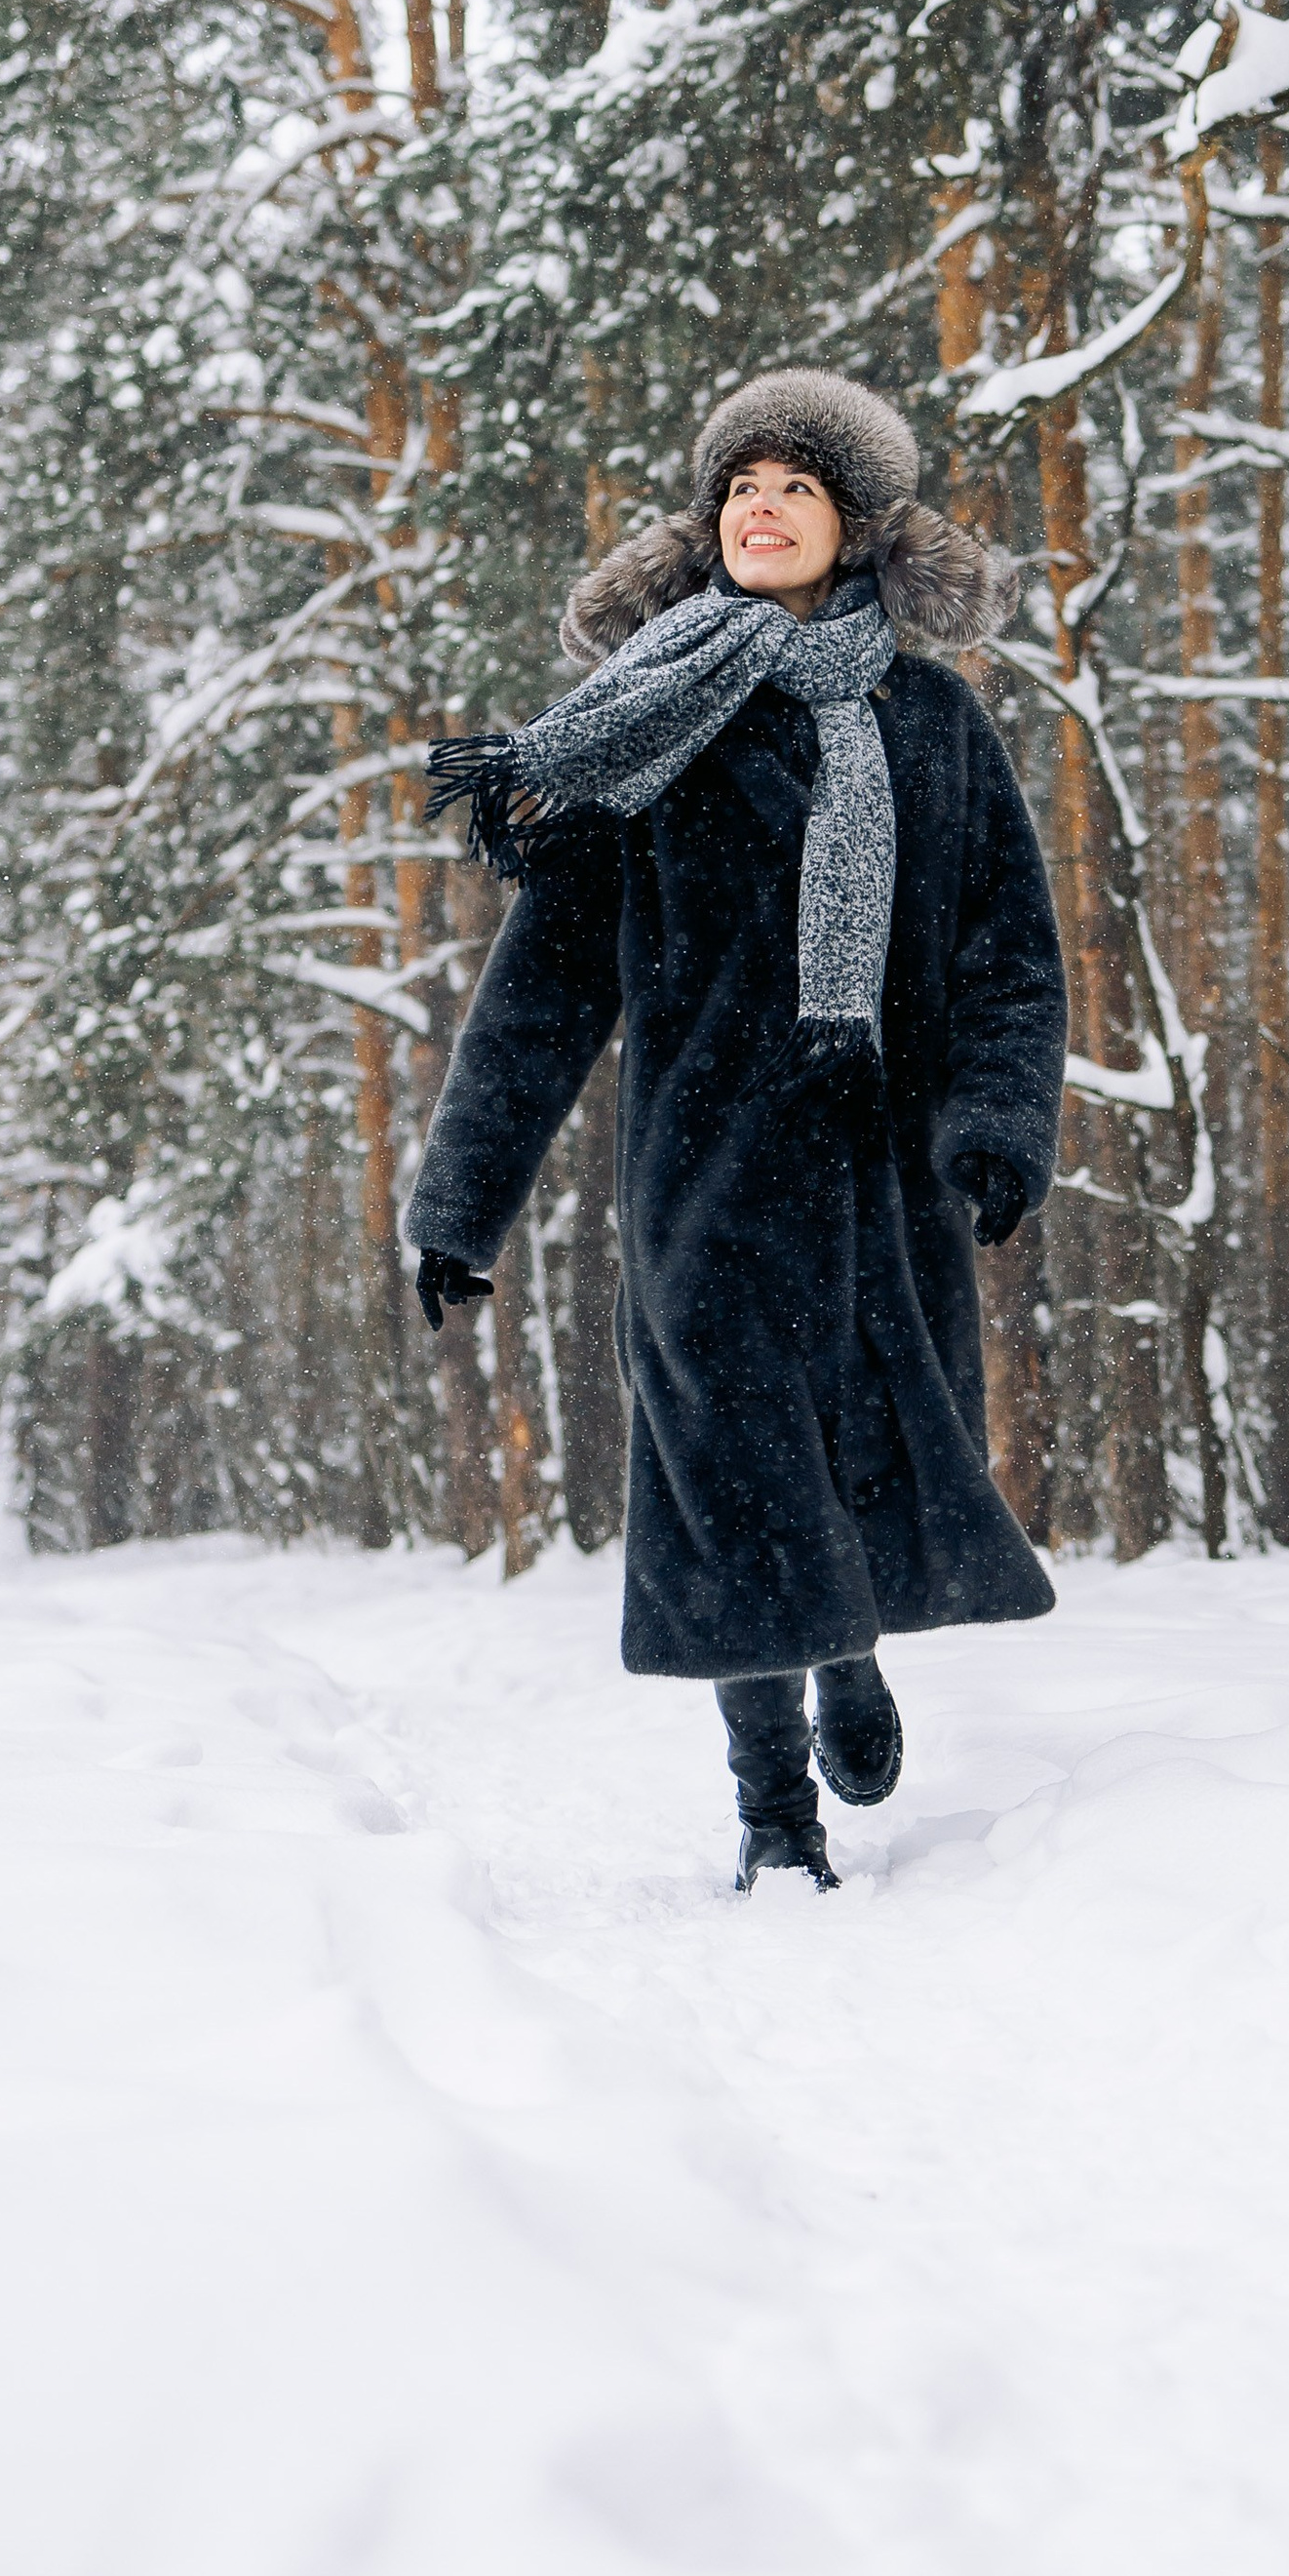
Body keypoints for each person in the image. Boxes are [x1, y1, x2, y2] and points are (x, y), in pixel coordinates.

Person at [409, 367, 1067, 1892]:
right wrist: (461, 1202)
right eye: (739, 489)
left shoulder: (935, 722)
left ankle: (851, 1657)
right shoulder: (641, 732)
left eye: (796, 488)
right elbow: (543, 991)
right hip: (703, 1176)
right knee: (732, 1477)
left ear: (859, 528)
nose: (760, 509)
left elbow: (1008, 953)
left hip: (885, 1170)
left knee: (865, 1450)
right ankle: (774, 1811)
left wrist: (998, 1125)